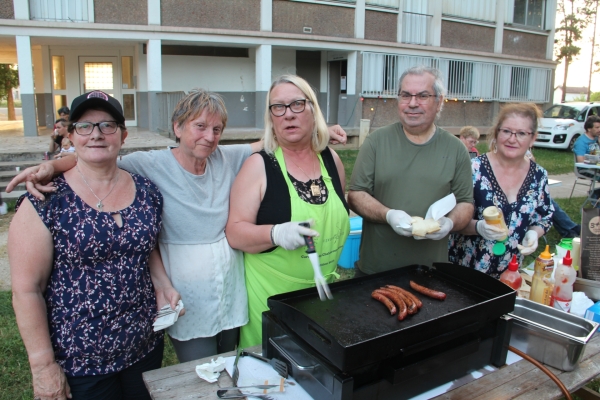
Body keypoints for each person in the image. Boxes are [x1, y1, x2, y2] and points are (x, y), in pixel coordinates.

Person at [7, 90, 348, 363]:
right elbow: (102, 156)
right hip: (186, 289)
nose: (209, 136)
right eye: (199, 126)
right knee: (200, 370)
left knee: (233, 361)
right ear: (178, 127)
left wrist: (324, 130)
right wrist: (51, 168)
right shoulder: (150, 163)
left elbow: (276, 140)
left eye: (216, 129)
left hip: (231, 286)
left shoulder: (228, 157)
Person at [9, 91, 181, 399]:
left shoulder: (147, 192)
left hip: (143, 349)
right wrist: (42, 366)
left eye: (107, 125)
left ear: (123, 135)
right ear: (71, 135)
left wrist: (163, 283)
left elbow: (146, 247)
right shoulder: (45, 200)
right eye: (85, 127)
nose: (97, 135)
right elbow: (26, 289)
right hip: (79, 362)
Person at [225, 75, 350, 348]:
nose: (288, 115)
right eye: (278, 107)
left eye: (296, 105)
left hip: (322, 296)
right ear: (271, 117)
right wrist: (276, 233)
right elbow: (235, 232)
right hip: (272, 300)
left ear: (312, 110)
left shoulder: (331, 159)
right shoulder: (258, 166)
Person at [347, 66, 474, 274]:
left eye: (423, 96)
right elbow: (355, 195)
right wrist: (388, 215)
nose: (412, 103)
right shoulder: (376, 142)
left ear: (439, 101)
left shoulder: (456, 149)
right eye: (406, 95)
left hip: (431, 272)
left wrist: (449, 223)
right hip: (375, 271)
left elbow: (465, 203)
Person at [448, 103, 554, 278]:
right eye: (506, 131)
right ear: (496, 133)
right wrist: (478, 227)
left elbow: (545, 216)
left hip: (509, 275)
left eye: (521, 133)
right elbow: (449, 217)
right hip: (464, 273)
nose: (512, 139)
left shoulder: (538, 176)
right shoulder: (472, 169)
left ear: (533, 138)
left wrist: (534, 233)